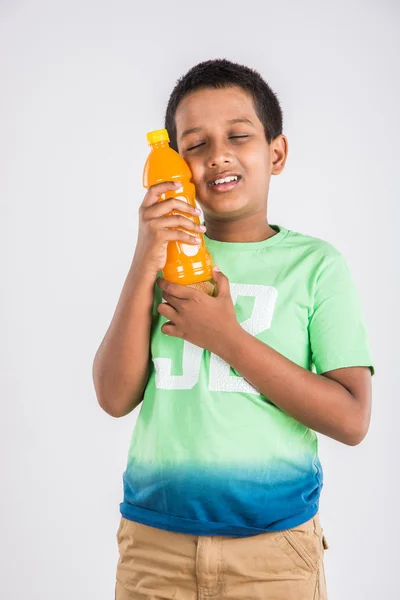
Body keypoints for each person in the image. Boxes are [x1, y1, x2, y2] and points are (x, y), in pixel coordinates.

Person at [92, 58, 374, 600]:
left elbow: (352, 418)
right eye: (195, 145)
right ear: (171, 166)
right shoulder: (160, 259)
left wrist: (227, 338)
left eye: (238, 136)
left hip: (273, 554)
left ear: (276, 153)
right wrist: (143, 258)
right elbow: (113, 396)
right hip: (155, 545)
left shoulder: (317, 266)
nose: (217, 154)